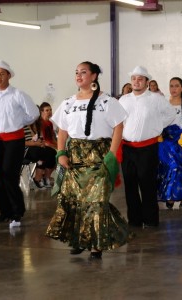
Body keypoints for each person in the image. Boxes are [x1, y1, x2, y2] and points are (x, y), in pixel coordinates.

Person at [46, 61, 134, 259]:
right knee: (75, 201)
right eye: (76, 72)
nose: (78, 76)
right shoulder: (68, 102)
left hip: (99, 156)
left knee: (96, 201)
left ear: (94, 76)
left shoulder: (107, 101)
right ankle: (79, 240)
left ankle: (96, 244)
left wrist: (111, 155)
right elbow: (62, 131)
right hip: (75, 157)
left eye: (83, 72)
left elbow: (118, 127)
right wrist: (61, 153)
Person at [0, 60, 39, 228]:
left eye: (2, 74)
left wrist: (19, 122)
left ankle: (17, 212)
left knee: (9, 175)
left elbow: (33, 113)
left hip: (15, 140)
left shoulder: (18, 94)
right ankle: (5, 211)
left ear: (9, 75)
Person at [118, 66, 176, 228]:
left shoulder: (156, 99)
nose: (136, 82)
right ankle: (134, 220)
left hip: (148, 148)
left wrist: (157, 127)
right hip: (127, 148)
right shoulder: (124, 100)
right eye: (134, 79)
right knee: (130, 185)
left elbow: (171, 114)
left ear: (147, 82)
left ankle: (150, 220)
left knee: (147, 184)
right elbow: (118, 121)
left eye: (140, 79)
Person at [158, 77, 182, 210]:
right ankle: (169, 195)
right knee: (170, 167)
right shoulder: (164, 103)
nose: (173, 89)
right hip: (167, 141)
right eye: (171, 86)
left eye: (176, 86)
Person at [23, 120, 56, 189]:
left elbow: (34, 137)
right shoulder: (18, 126)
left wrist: (40, 142)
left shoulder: (29, 124)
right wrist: (35, 143)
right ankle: (37, 178)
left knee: (52, 152)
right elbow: (20, 142)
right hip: (24, 150)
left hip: (34, 146)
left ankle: (46, 177)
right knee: (42, 153)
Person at [39, 102, 57, 187]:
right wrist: (54, 146)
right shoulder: (40, 123)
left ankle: (47, 176)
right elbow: (44, 140)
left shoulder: (50, 123)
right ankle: (46, 177)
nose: (49, 112)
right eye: (47, 110)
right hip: (44, 145)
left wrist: (58, 145)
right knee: (53, 153)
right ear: (41, 112)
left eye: (50, 110)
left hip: (51, 144)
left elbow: (52, 137)